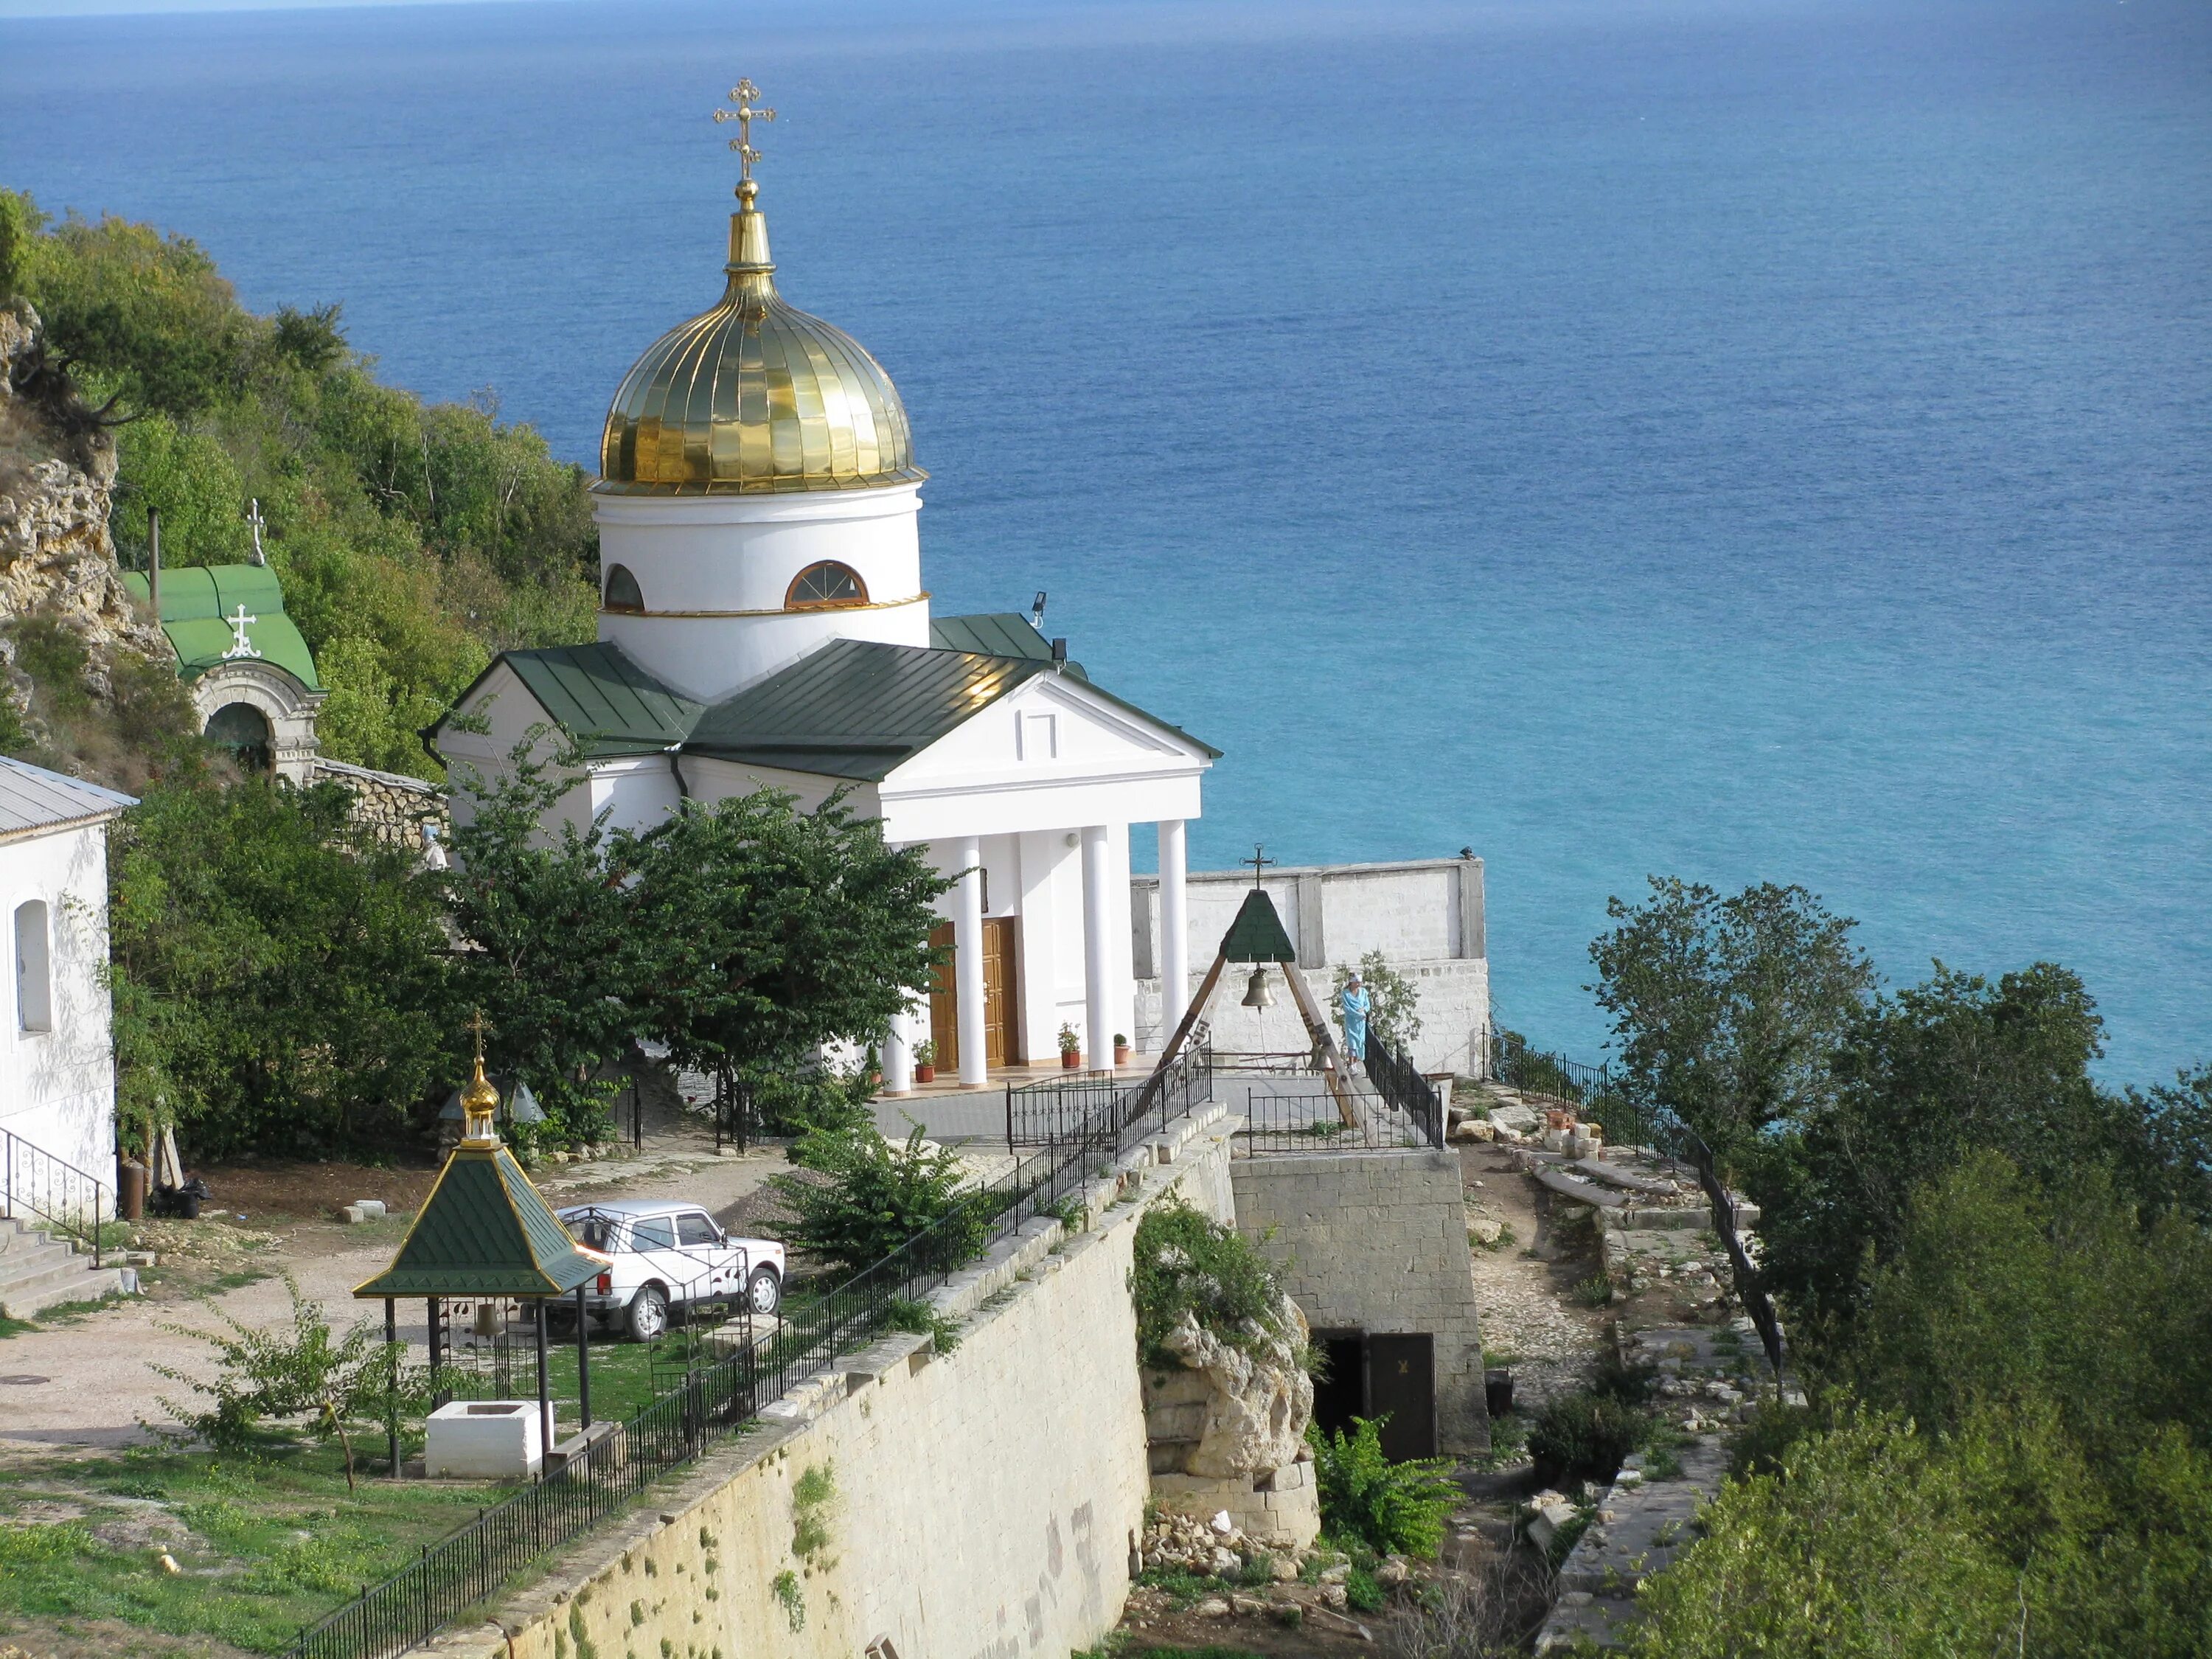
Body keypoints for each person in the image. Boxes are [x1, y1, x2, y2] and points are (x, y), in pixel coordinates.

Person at [1340, 971, 1371, 1071]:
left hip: (1361, 1022)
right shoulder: (1345, 993)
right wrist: (1358, 1014)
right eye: (1357, 982)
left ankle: (1357, 1062)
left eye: (1360, 982)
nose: (1359, 984)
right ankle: (1351, 1065)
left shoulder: (1363, 992)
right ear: (1352, 982)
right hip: (1351, 1022)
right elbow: (1347, 1008)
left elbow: (1367, 1005)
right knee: (1352, 1043)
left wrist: (1363, 1010)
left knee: (1360, 1042)